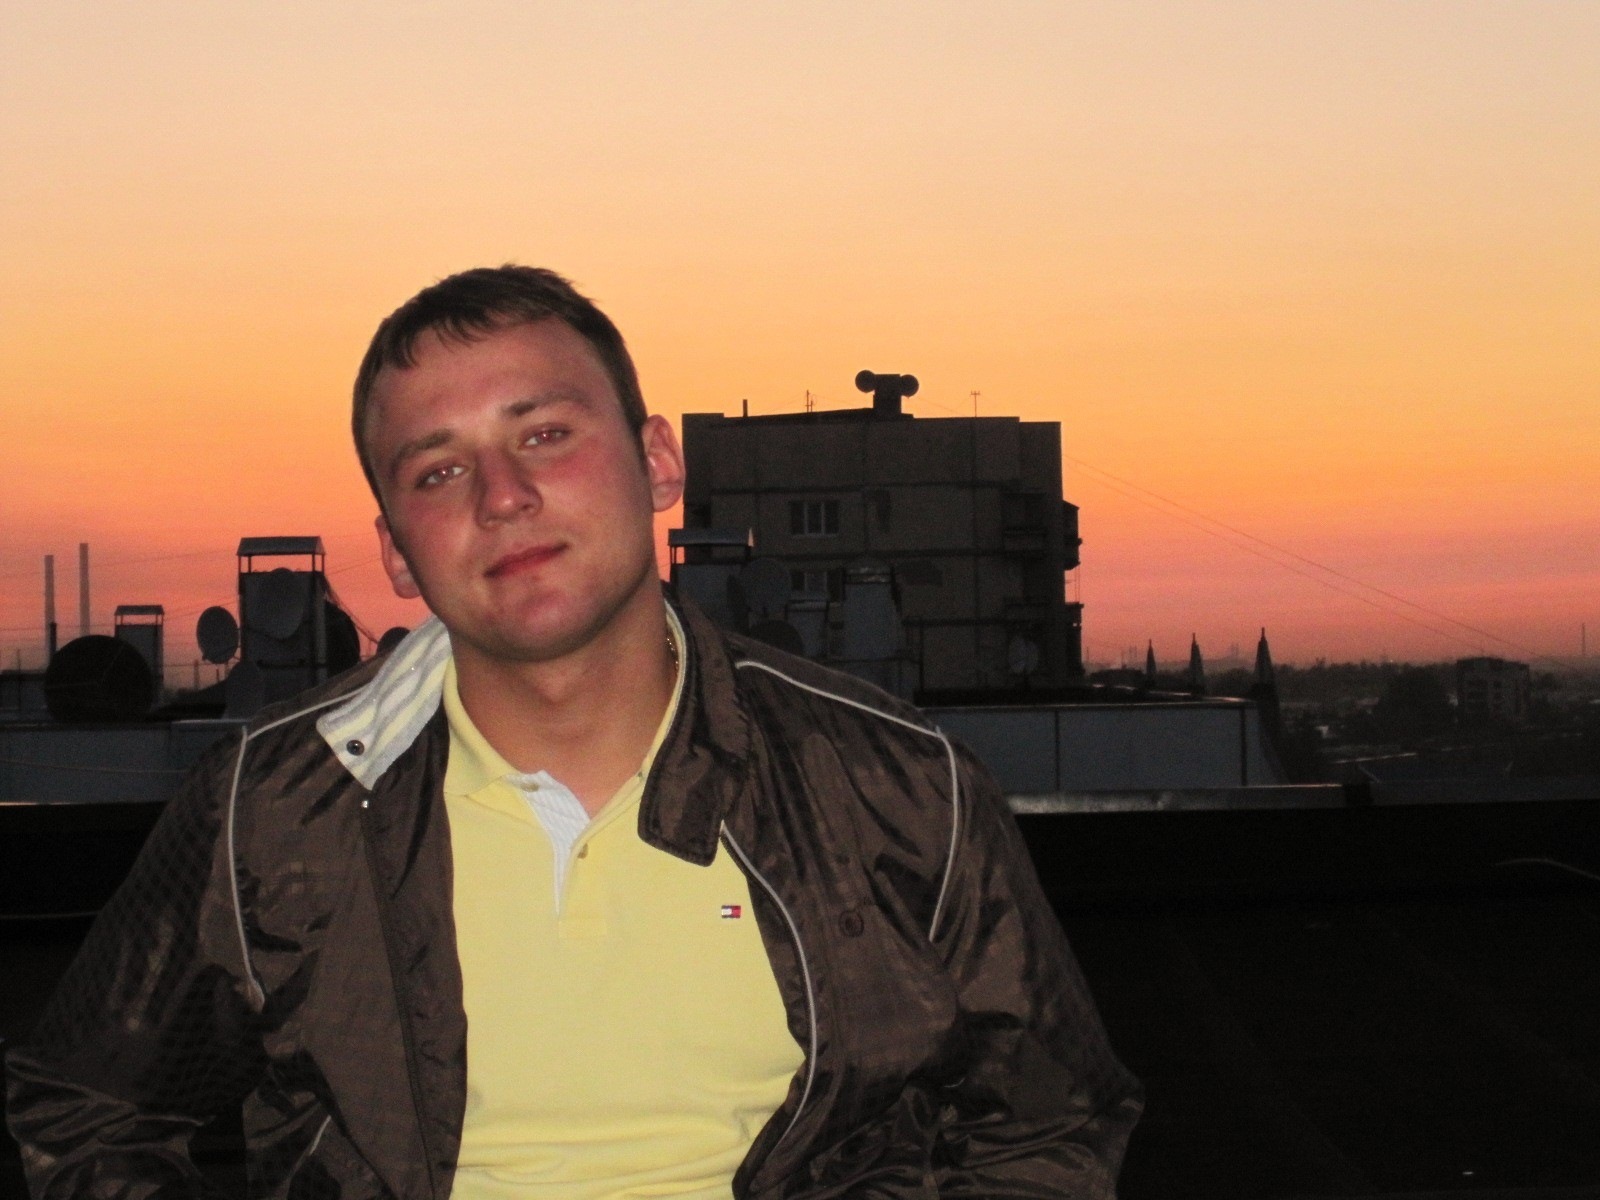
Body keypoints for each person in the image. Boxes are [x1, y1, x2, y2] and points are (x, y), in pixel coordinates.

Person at [6, 265, 1141, 1197]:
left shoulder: (894, 787)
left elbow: (1047, 1124)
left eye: (545, 434)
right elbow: (88, 1106)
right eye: (438, 469)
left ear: (657, 463)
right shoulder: (273, 808)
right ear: (396, 550)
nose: (500, 496)